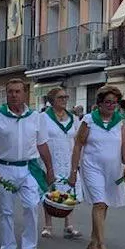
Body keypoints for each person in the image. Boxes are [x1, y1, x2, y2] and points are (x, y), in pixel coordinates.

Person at [0, 78, 55, 249]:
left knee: (32, 206)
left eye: (17, 91)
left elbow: (42, 144)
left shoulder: (35, 117)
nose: (14, 95)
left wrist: (50, 169)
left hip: (28, 168)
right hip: (4, 168)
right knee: (6, 211)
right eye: (10, 92)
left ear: (25, 94)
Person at [71, 85, 125, 249]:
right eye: (107, 102)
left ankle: (92, 242)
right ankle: (102, 245)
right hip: (92, 167)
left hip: (113, 169)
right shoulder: (89, 120)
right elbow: (78, 145)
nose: (111, 105)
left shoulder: (120, 122)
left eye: (114, 102)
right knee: (99, 203)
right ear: (99, 103)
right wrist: (73, 171)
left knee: (104, 205)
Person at [41, 87, 81, 240]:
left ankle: (68, 224)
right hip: (51, 156)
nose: (64, 100)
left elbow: (78, 140)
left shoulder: (74, 118)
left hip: (68, 156)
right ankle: (48, 225)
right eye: (60, 97)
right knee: (50, 189)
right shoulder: (44, 118)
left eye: (66, 97)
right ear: (52, 101)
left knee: (68, 189)